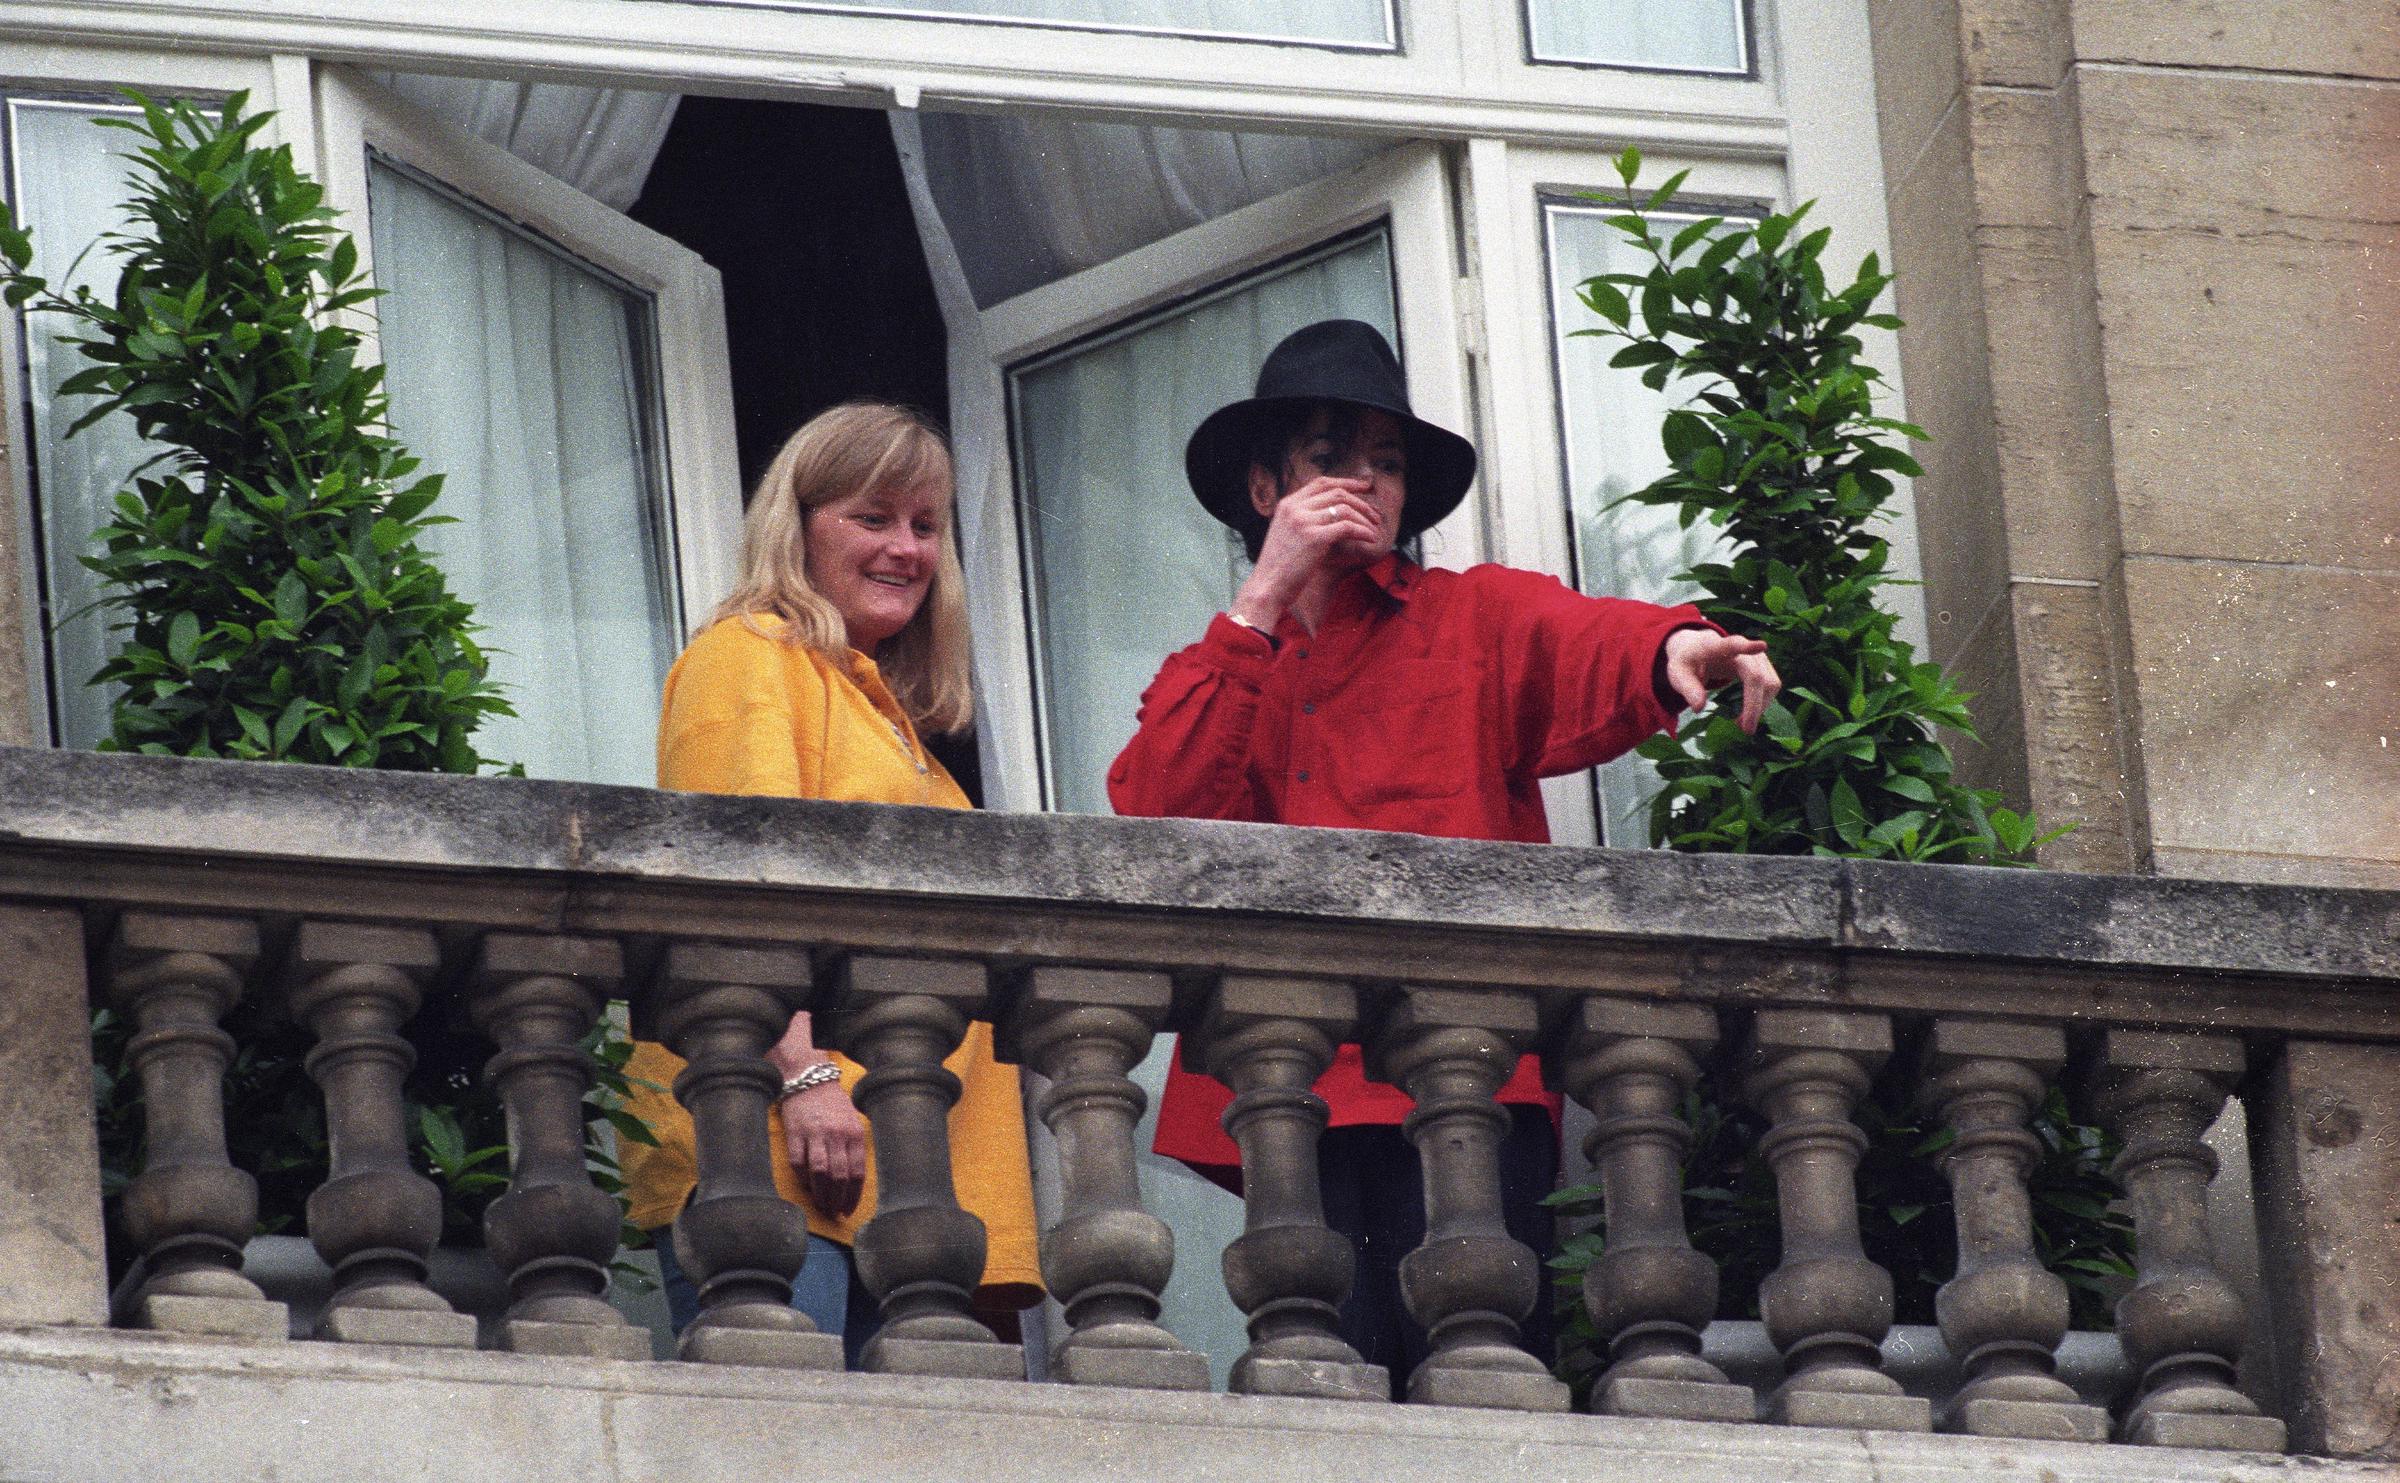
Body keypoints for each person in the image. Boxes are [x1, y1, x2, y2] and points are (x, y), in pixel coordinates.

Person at [1108, 319, 1778, 1391]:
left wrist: (1673, 645)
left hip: (1469, 1082)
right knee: (1321, 1392)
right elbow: (1157, 812)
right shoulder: (1223, 663)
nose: (1365, 483)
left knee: (1483, 1385)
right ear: (1264, 484)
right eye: (1333, 457)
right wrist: (1263, 599)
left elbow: (1583, 636)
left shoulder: (1472, 616)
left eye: (1387, 462)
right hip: (1296, 1089)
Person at [619, 401, 1042, 1363]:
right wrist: (805, 1076)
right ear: (798, 526)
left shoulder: (894, 722)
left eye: (925, 525)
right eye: (873, 516)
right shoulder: (749, 657)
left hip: (905, 1180)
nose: (906, 548)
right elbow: (738, 897)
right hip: (785, 1151)